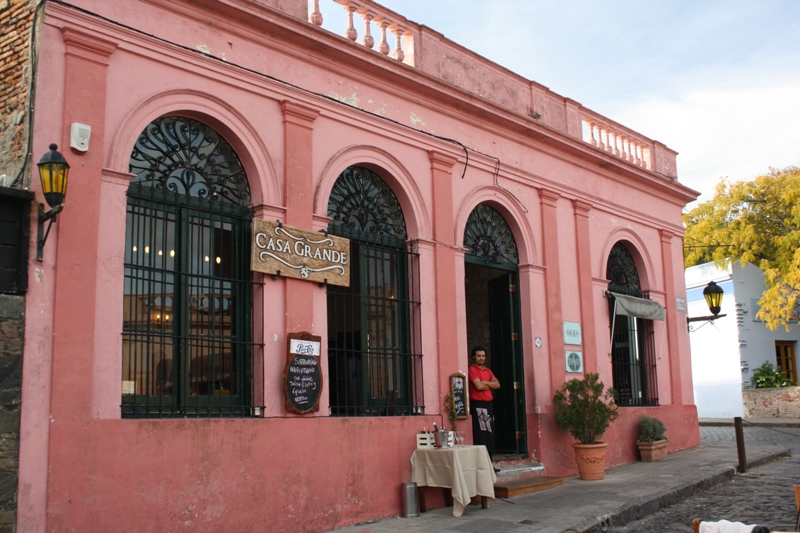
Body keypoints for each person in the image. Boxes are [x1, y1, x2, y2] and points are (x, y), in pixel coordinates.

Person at [468, 346, 500, 464]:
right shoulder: (473, 369)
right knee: (482, 433)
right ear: (473, 357)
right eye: (478, 356)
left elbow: (497, 385)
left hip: (488, 404)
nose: (481, 358)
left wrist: (485, 382)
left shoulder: (488, 370)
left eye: (483, 356)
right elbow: (478, 387)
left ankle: (490, 463)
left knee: (489, 433)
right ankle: (483, 464)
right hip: (479, 404)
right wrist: (489, 384)